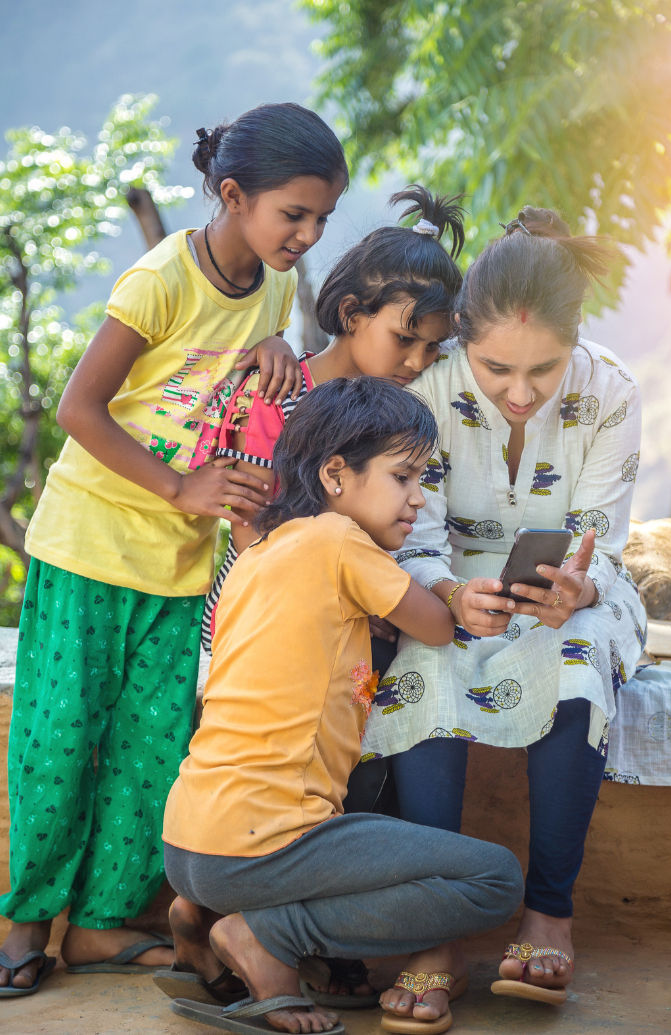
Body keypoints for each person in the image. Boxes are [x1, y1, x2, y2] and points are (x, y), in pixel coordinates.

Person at [0, 102, 348, 996]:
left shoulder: (270, 285)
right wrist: (180, 488)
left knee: (153, 750)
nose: (307, 236)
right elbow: (79, 409)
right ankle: (26, 918)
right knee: (61, 739)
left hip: (181, 564)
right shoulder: (159, 280)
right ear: (233, 196)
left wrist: (275, 341)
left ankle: (104, 924)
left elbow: (256, 367)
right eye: (293, 215)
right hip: (88, 547)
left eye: (321, 220)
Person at [160, 377, 524, 1035]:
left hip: (190, 839)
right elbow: (437, 625)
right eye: (403, 476)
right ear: (335, 473)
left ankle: (201, 911)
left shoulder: (258, 554)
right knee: (495, 877)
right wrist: (462, 592)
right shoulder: (336, 540)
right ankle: (266, 936)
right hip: (268, 840)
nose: (418, 498)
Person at [360, 208, 647, 1005]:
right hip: (447, 576)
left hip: (574, 592)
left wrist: (578, 587)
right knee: (426, 652)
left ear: (577, 337)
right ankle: (434, 929)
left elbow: (603, 538)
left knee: (581, 650)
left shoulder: (613, 390)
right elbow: (412, 531)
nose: (519, 393)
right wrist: (451, 592)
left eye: (544, 371)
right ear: (462, 339)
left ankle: (549, 913)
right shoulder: (427, 386)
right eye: (494, 369)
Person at [200, 184, 464, 654]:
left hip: (354, 613)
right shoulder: (275, 394)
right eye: (404, 339)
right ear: (351, 313)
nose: (418, 361)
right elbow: (250, 533)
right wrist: (352, 594)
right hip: (261, 621)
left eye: (431, 349)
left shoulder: (397, 416)